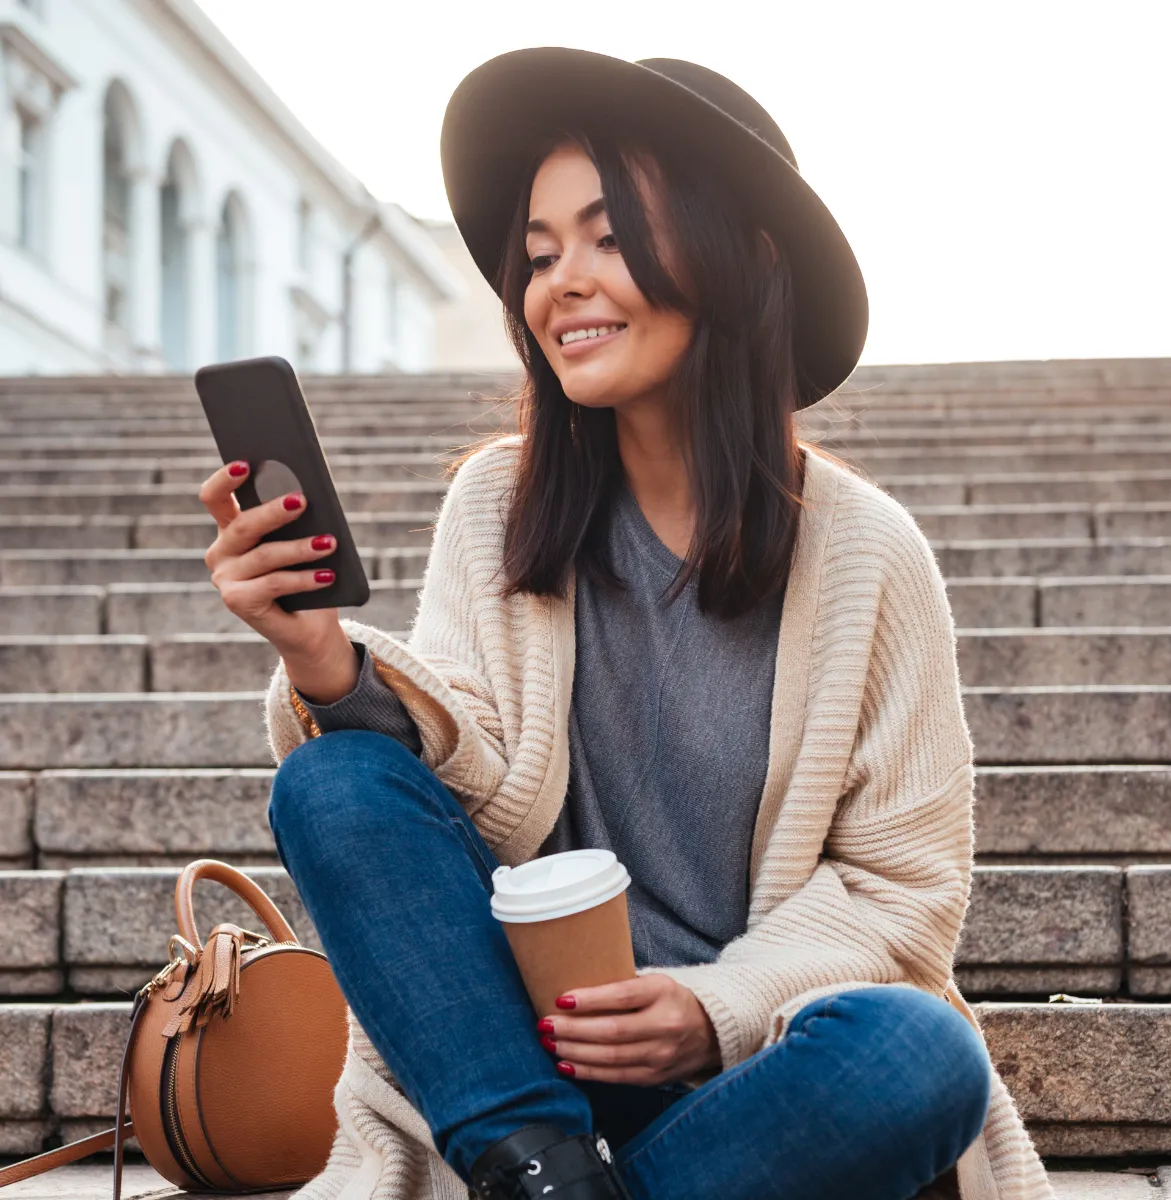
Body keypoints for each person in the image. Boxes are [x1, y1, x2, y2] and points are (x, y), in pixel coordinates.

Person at [198, 50, 1057, 1200]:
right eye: (541, 254)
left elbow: (904, 895)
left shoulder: (868, 554)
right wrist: (321, 661)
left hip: (748, 1076)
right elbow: (458, 794)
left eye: (609, 238)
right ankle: (542, 1169)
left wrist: (712, 1011)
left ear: (740, 260)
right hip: (513, 1071)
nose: (563, 282)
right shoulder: (499, 505)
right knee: (336, 784)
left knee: (919, 1054)